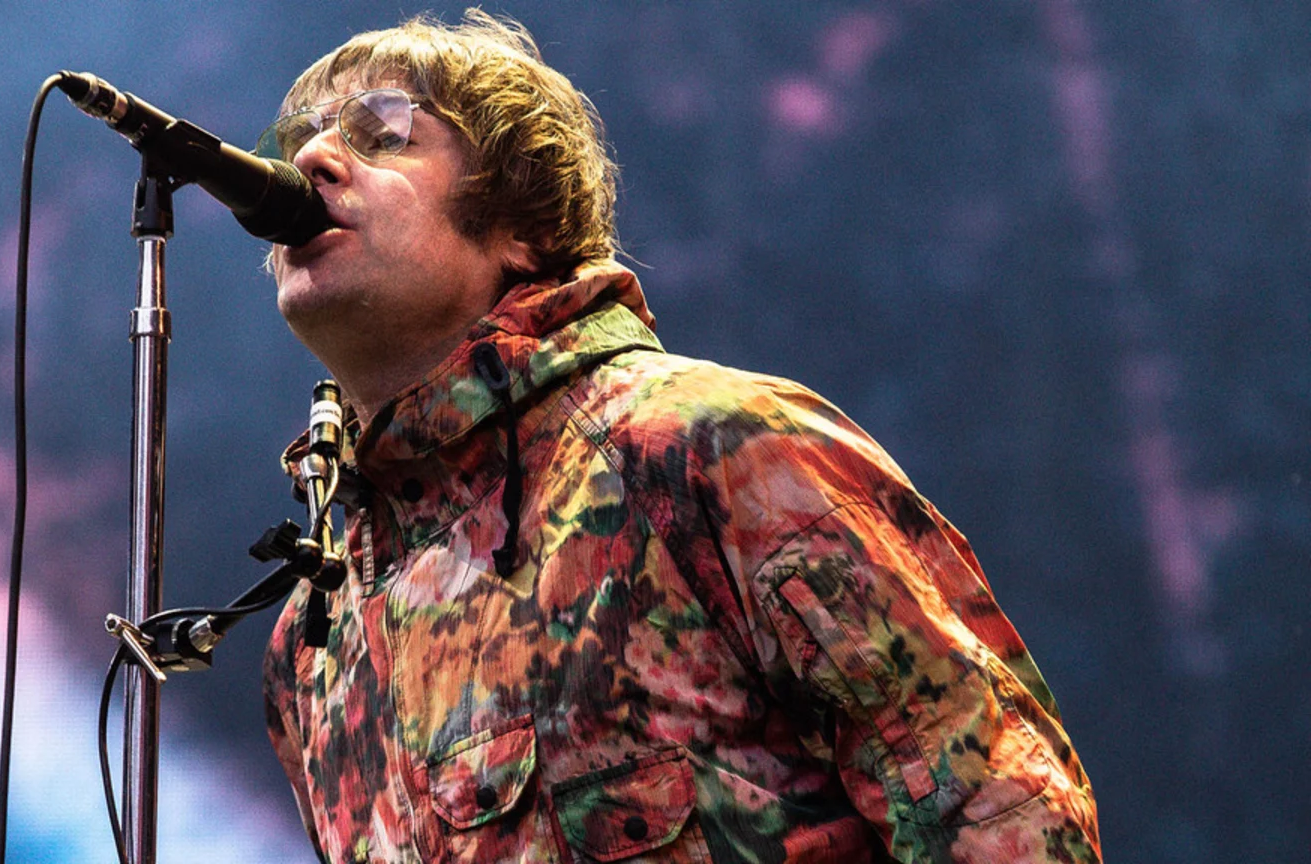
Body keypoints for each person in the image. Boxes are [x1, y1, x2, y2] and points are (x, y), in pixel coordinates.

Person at [260, 11, 1101, 863]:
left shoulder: (714, 450)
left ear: (525, 230)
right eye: (303, 138)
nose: (313, 158)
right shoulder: (312, 641)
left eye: (384, 133)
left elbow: (1001, 813)